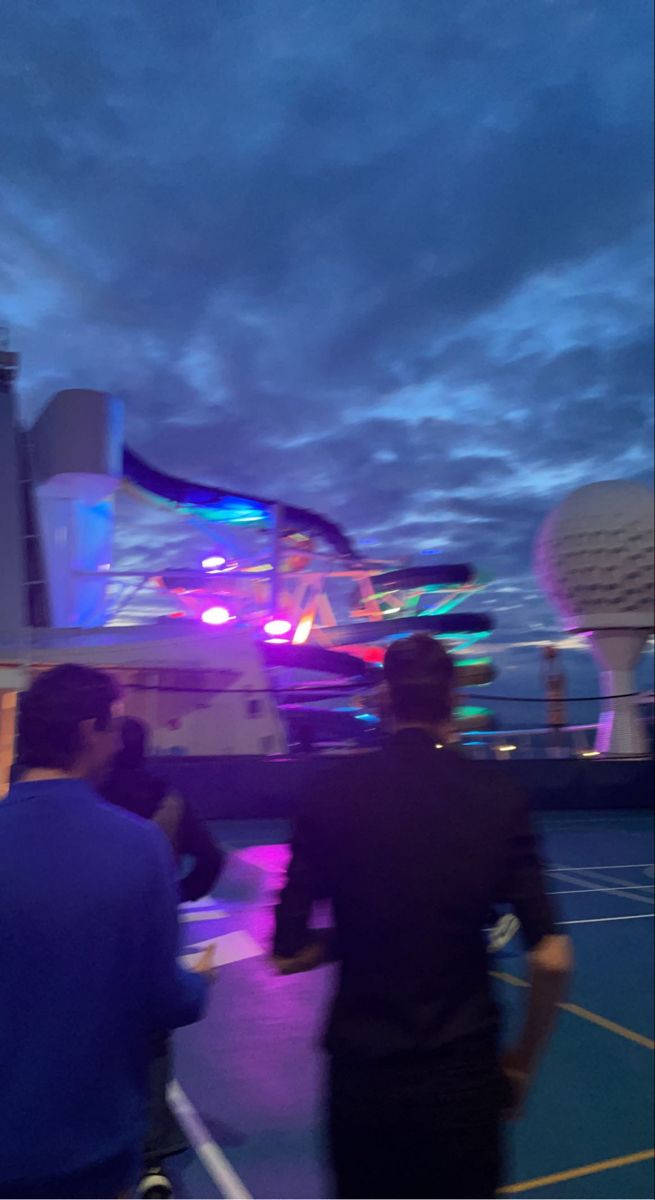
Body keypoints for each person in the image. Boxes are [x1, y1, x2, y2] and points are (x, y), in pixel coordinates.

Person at [273, 634, 573, 1200]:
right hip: (462, 1082)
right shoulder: (499, 796)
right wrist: (522, 1068)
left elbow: (288, 953)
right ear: (453, 698)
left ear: (385, 696)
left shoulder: (328, 793)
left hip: (364, 1082)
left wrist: (362, 929)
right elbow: (553, 960)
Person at [0, 665, 215, 1200]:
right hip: (92, 1149)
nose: (120, 744)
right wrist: (200, 982)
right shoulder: (138, 847)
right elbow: (165, 1001)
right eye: (114, 728)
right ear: (87, 732)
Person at [101, 716, 225, 1200]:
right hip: (156, 927)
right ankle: (152, 1159)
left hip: (100, 927)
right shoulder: (170, 801)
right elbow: (212, 859)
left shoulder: (95, 803)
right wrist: (180, 894)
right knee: (153, 1035)